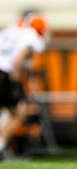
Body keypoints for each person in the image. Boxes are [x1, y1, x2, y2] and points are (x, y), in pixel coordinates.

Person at [0, 11, 49, 158]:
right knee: (19, 112)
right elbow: (21, 55)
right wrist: (14, 76)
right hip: (4, 73)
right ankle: (1, 144)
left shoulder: (12, 30)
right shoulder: (32, 37)